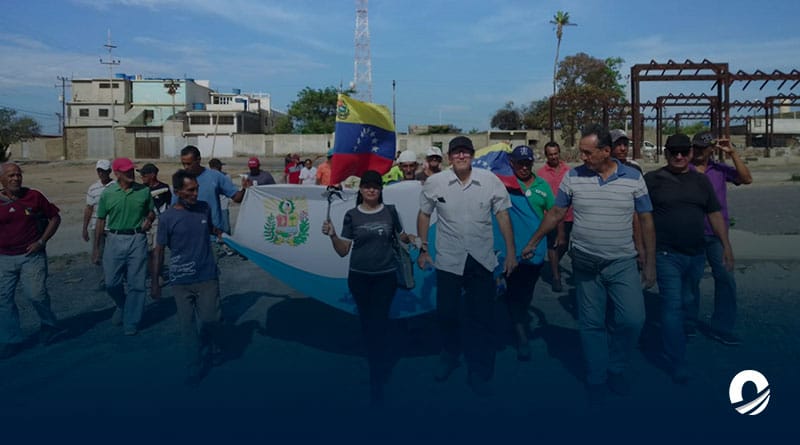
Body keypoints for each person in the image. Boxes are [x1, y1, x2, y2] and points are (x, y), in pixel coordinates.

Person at [521, 125, 656, 405]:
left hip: (621, 263)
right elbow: (557, 212)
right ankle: (597, 376)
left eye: (587, 152)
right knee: (591, 324)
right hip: (585, 263)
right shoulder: (574, 177)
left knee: (633, 319)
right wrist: (534, 241)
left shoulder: (633, 178)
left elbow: (646, 220)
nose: (582, 157)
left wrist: (650, 261)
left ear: (606, 151)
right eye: (581, 151)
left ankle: (616, 366)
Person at [417, 136, 517, 396]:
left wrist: (511, 253)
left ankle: (480, 368)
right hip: (449, 260)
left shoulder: (489, 181)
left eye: (466, 152)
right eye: (456, 153)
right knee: (447, 314)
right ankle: (450, 354)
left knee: (482, 318)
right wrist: (423, 248)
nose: (461, 157)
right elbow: (424, 214)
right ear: (450, 157)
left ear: (472, 155)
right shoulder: (435, 183)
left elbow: (503, 214)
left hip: (482, 259)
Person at [644, 133, 733, 384]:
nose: (680, 156)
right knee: (672, 305)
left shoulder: (701, 181)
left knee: (689, 297)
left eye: (684, 152)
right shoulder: (653, 180)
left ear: (691, 154)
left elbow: (714, 214)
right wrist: (644, 253)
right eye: (674, 152)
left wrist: (726, 245)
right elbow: (641, 217)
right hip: (665, 254)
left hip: (696, 254)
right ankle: (677, 360)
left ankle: (683, 332)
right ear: (666, 154)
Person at [321, 170, 414, 405]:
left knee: (379, 321)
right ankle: (376, 356)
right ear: (360, 190)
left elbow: (400, 237)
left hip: (386, 277)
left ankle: (377, 372)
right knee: (367, 321)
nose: (371, 190)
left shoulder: (391, 212)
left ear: (381, 189)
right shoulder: (351, 216)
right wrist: (332, 236)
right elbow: (343, 251)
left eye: (375, 186)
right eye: (367, 186)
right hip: (359, 278)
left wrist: (413, 239)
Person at [152, 170, 225, 386]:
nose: (196, 193)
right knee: (187, 326)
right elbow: (159, 250)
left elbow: (210, 227)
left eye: (197, 189)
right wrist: (155, 282)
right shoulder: (167, 219)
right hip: (181, 282)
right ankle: (193, 366)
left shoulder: (204, 208)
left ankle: (213, 341)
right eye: (190, 190)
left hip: (206, 276)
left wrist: (220, 233)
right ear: (178, 192)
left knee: (211, 318)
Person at [688, 132, 752, 345]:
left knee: (725, 280)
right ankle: (688, 324)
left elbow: (746, 179)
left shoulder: (719, 170)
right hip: (692, 235)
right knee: (690, 281)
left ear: (711, 150)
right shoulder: (683, 169)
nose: (697, 152)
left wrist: (733, 153)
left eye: (702, 148)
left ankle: (721, 327)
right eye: (695, 147)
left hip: (717, 235)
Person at [0, 162, 63, 359]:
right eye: (10, 175)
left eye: (18, 175)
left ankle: (49, 324)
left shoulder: (33, 196)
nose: (15, 178)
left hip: (31, 256)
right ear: (1, 179)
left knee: (36, 295)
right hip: (4, 258)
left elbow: (55, 218)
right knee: (3, 300)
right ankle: (11, 339)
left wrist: (42, 241)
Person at [93, 158, 156, 336]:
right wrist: (96, 248)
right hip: (114, 239)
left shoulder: (143, 191)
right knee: (111, 282)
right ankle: (122, 304)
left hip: (137, 238)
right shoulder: (108, 193)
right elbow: (100, 220)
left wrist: (148, 220)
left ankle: (132, 321)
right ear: (117, 173)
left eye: (132, 170)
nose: (131, 173)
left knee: (137, 283)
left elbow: (151, 211)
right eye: (126, 171)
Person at [504, 145, 554, 361]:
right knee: (514, 292)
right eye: (519, 163)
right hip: (509, 251)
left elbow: (553, 213)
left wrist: (558, 236)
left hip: (535, 250)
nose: (523, 167)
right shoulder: (504, 185)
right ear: (512, 163)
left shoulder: (543, 186)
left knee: (525, 293)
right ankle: (521, 335)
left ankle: (517, 319)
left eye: (527, 163)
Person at [178, 145, 248, 239]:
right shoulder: (180, 180)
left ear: (198, 160)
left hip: (213, 238)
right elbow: (175, 209)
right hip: (189, 237)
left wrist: (245, 189)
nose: (186, 167)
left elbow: (237, 197)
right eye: (184, 164)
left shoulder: (215, 177)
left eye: (189, 164)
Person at [536, 141, 573, 292]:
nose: (553, 157)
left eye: (555, 153)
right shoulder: (541, 173)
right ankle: (556, 277)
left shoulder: (568, 171)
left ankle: (554, 263)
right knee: (552, 244)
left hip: (569, 215)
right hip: (550, 216)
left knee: (564, 244)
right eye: (550, 154)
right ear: (546, 155)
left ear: (559, 153)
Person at [82, 159, 114, 290]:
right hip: (96, 227)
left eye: (104, 171)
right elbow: (89, 208)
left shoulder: (116, 186)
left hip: (113, 227)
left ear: (109, 171)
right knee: (97, 255)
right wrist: (84, 228)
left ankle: (113, 279)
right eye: (99, 170)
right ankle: (102, 282)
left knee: (112, 256)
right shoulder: (93, 188)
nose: (101, 173)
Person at [137, 163, 171, 284]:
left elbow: (168, 206)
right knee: (147, 250)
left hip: (159, 223)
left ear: (152, 175)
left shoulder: (164, 188)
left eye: (144, 174)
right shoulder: (141, 189)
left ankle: (158, 274)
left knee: (158, 249)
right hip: (144, 222)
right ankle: (151, 274)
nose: (142, 176)